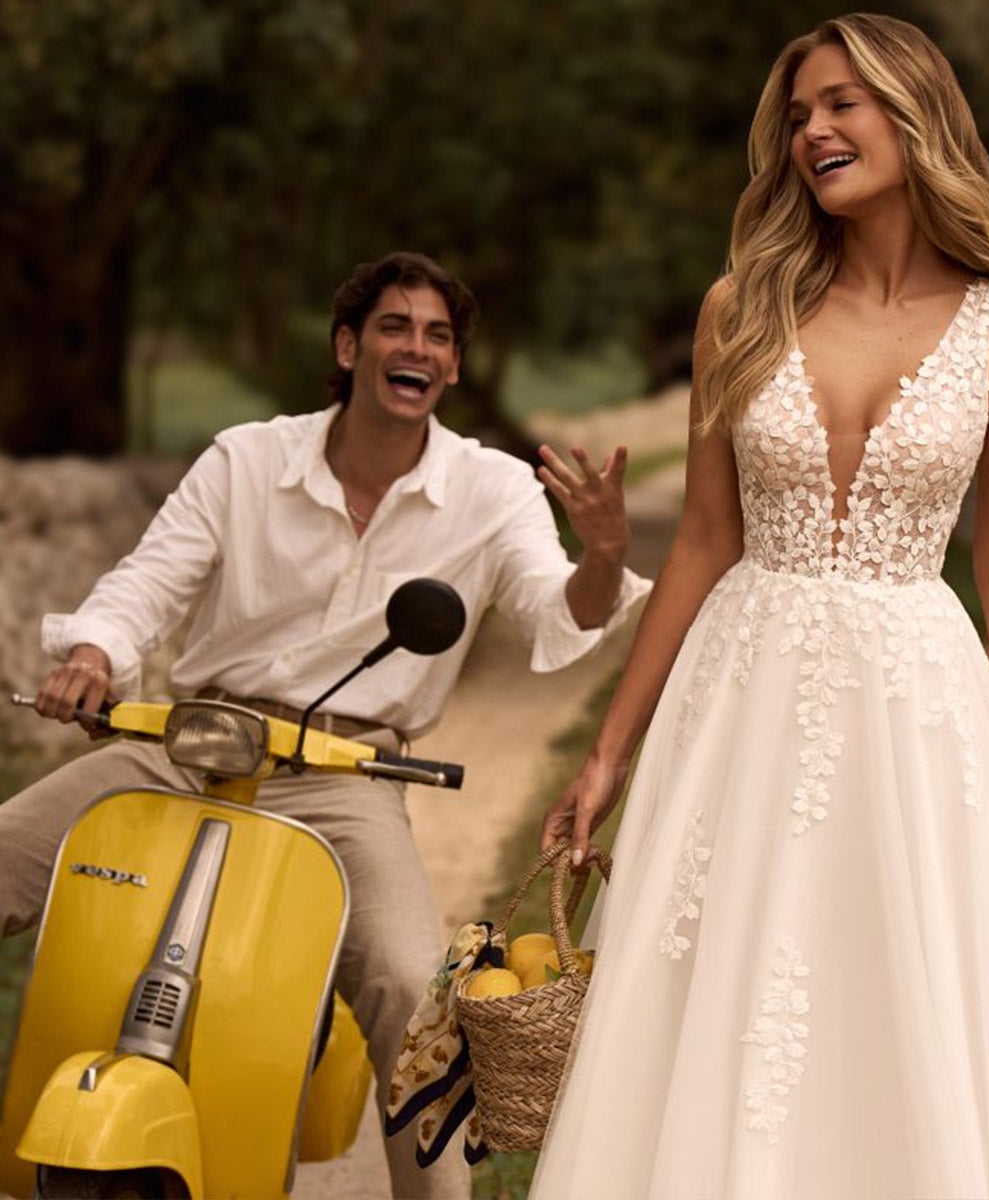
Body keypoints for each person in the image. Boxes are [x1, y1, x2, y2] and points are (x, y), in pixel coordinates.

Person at [531, 15, 989, 1200]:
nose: (813, 133)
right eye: (796, 116)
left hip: (920, 699)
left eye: (842, 103)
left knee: (916, 988)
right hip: (744, 691)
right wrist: (608, 751)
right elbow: (703, 538)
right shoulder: (739, 307)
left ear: (914, 113)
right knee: (732, 994)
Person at [0, 250, 648, 1200]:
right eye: (394, 326)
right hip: (188, 742)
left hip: (350, 775)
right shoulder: (247, 459)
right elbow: (149, 580)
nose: (415, 347)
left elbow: (563, 613)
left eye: (437, 335)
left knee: (405, 983)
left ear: (455, 367)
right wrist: (96, 653)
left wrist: (606, 553)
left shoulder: (492, 488)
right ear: (349, 346)